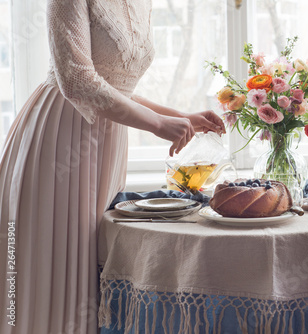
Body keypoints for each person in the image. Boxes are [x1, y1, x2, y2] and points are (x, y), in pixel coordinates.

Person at [0, 1, 225, 333]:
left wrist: (179, 117)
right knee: (51, 266)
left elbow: (119, 87)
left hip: (104, 143)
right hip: (60, 135)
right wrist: (157, 124)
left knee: (87, 264)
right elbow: (77, 80)